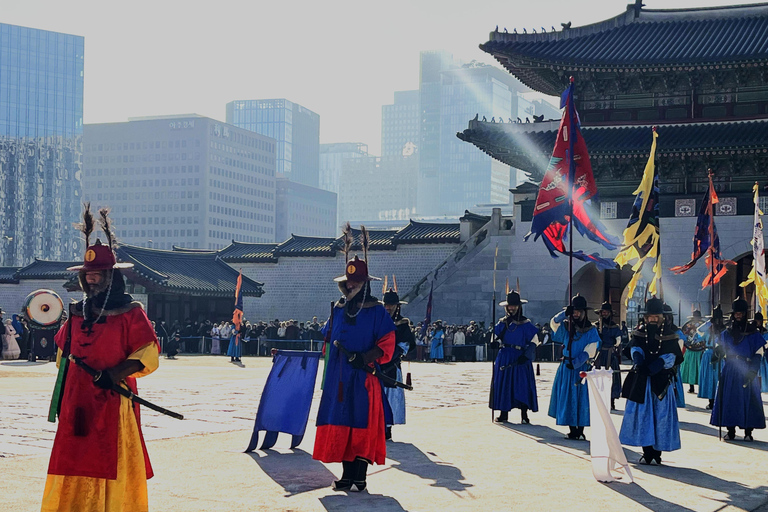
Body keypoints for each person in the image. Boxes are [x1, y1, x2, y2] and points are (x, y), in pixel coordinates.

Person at [42, 205, 159, 512]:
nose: (91, 280)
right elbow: (61, 358)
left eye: (97, 275)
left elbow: (147, 353)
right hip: (76, 401)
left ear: (111, 277)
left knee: (110, 455)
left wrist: (117, 372)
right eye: (88, 275)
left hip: (112, 399)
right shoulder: (77, 313)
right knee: (73, 457)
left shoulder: (132, 312)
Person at [313, 252, 395, 492]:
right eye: (348, 282)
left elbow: (387, 343)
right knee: (342, 425)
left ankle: (360, 476)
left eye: (356, 282)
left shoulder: (377, 312)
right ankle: (347, 476)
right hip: (338, 378)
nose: (350, 285)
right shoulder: (338, 309)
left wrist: (365, 358)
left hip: (363, 377)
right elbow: (328, 341)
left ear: (365, 284)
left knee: (362, 425)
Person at [619, 297, 683, 465]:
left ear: (662, 317)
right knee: (643, 415)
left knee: (661, 417)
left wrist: (660, 363)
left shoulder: (670, 335)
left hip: (661, 380)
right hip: (642, 380)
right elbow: (634, 347)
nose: (652, 319)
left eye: (656, 316)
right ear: (645, 317)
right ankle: (647, 452)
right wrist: (638, 358)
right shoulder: (640, 332)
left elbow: (674, 356)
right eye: (650, 317)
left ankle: (657, 453)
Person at [710, 298, 766, 441]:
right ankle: (731, 430)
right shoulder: (726, 333)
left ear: (745, 314)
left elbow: (758, 354)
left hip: (747, 368)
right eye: (736, 313)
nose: (738, 315)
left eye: (741, 313)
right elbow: (719, 349)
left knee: (749, 399)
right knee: (729, 399)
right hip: (730, 369)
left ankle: (748, 431)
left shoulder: (753, 333)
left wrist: (753, 370)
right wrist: (716, 354)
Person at [548, 295, 601, 440]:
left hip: (581, 367)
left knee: (581, 397)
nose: (576, 314)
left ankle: (580, 429)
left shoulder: (591, 330)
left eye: (578, 311)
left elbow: (590, 350)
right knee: (568, 396)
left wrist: (577, 362)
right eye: (574, 311)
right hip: (566, 366)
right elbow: (553, 323)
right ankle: (572, 429)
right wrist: (563, 314)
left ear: (584, 312)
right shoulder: (566, 326)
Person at [490, 291, 539, 424]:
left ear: (519, 306)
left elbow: (535, 341)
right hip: (505, 356)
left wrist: (527, 355)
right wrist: (495, 343)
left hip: (520, 357)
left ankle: (524, 414)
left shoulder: (525, 324)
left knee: (521, 385)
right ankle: (503, 413)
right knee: (504, 384)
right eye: (509, 306)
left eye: (514, 306)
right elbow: (495, 337)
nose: (511, 308)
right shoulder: (503, 323)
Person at [380, 286, 416, 440]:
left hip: (392, 365)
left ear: (397, 306)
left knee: (390, 397)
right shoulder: (378, 320)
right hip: (377, 362)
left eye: (391, 305)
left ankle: (387, 428)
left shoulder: (402, 324)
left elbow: (405, 345)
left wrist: (392, 357)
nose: (388, 308)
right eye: (386, 305)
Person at [594, 302, 623, 411]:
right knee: (597, 376)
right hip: (599, 355)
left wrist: (614, 341)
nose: (604, 314)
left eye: (606, 312)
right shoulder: (595, 326)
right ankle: (599, 400)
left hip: (610, 354)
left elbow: (618, 341)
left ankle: (611, 401)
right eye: (603, 312)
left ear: (610, 313)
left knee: (612, 378)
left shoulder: (615, 327)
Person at [697, 307, 725, 409]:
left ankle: (720, 401)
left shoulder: (724, 330)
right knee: (709, 379)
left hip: (719, 355)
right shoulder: (708, 331)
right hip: (708, 355)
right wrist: (709, 323)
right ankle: (711, 401)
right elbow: (699, 331)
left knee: (718, 378)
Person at [663, 303, 687, 409]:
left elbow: (680, 346)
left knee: (672, 386)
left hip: (672, 363)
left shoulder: (676, 331)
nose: (666, 319)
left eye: (668, 316)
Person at [680, 310, 705, 394]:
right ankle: (691, 387)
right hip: (691, 349)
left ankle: (699, 385)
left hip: (699, 349)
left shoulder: (702, 326)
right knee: (690, 369)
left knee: (699, 369)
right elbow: (685, 336)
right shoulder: (688, 326)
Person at [754, 312, 768, 393]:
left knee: (762, 374)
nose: (758, 322)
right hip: (754, 355)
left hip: (763, 356)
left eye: (759, 321)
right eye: (757, 320)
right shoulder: (751, 331)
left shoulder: (765, 332)